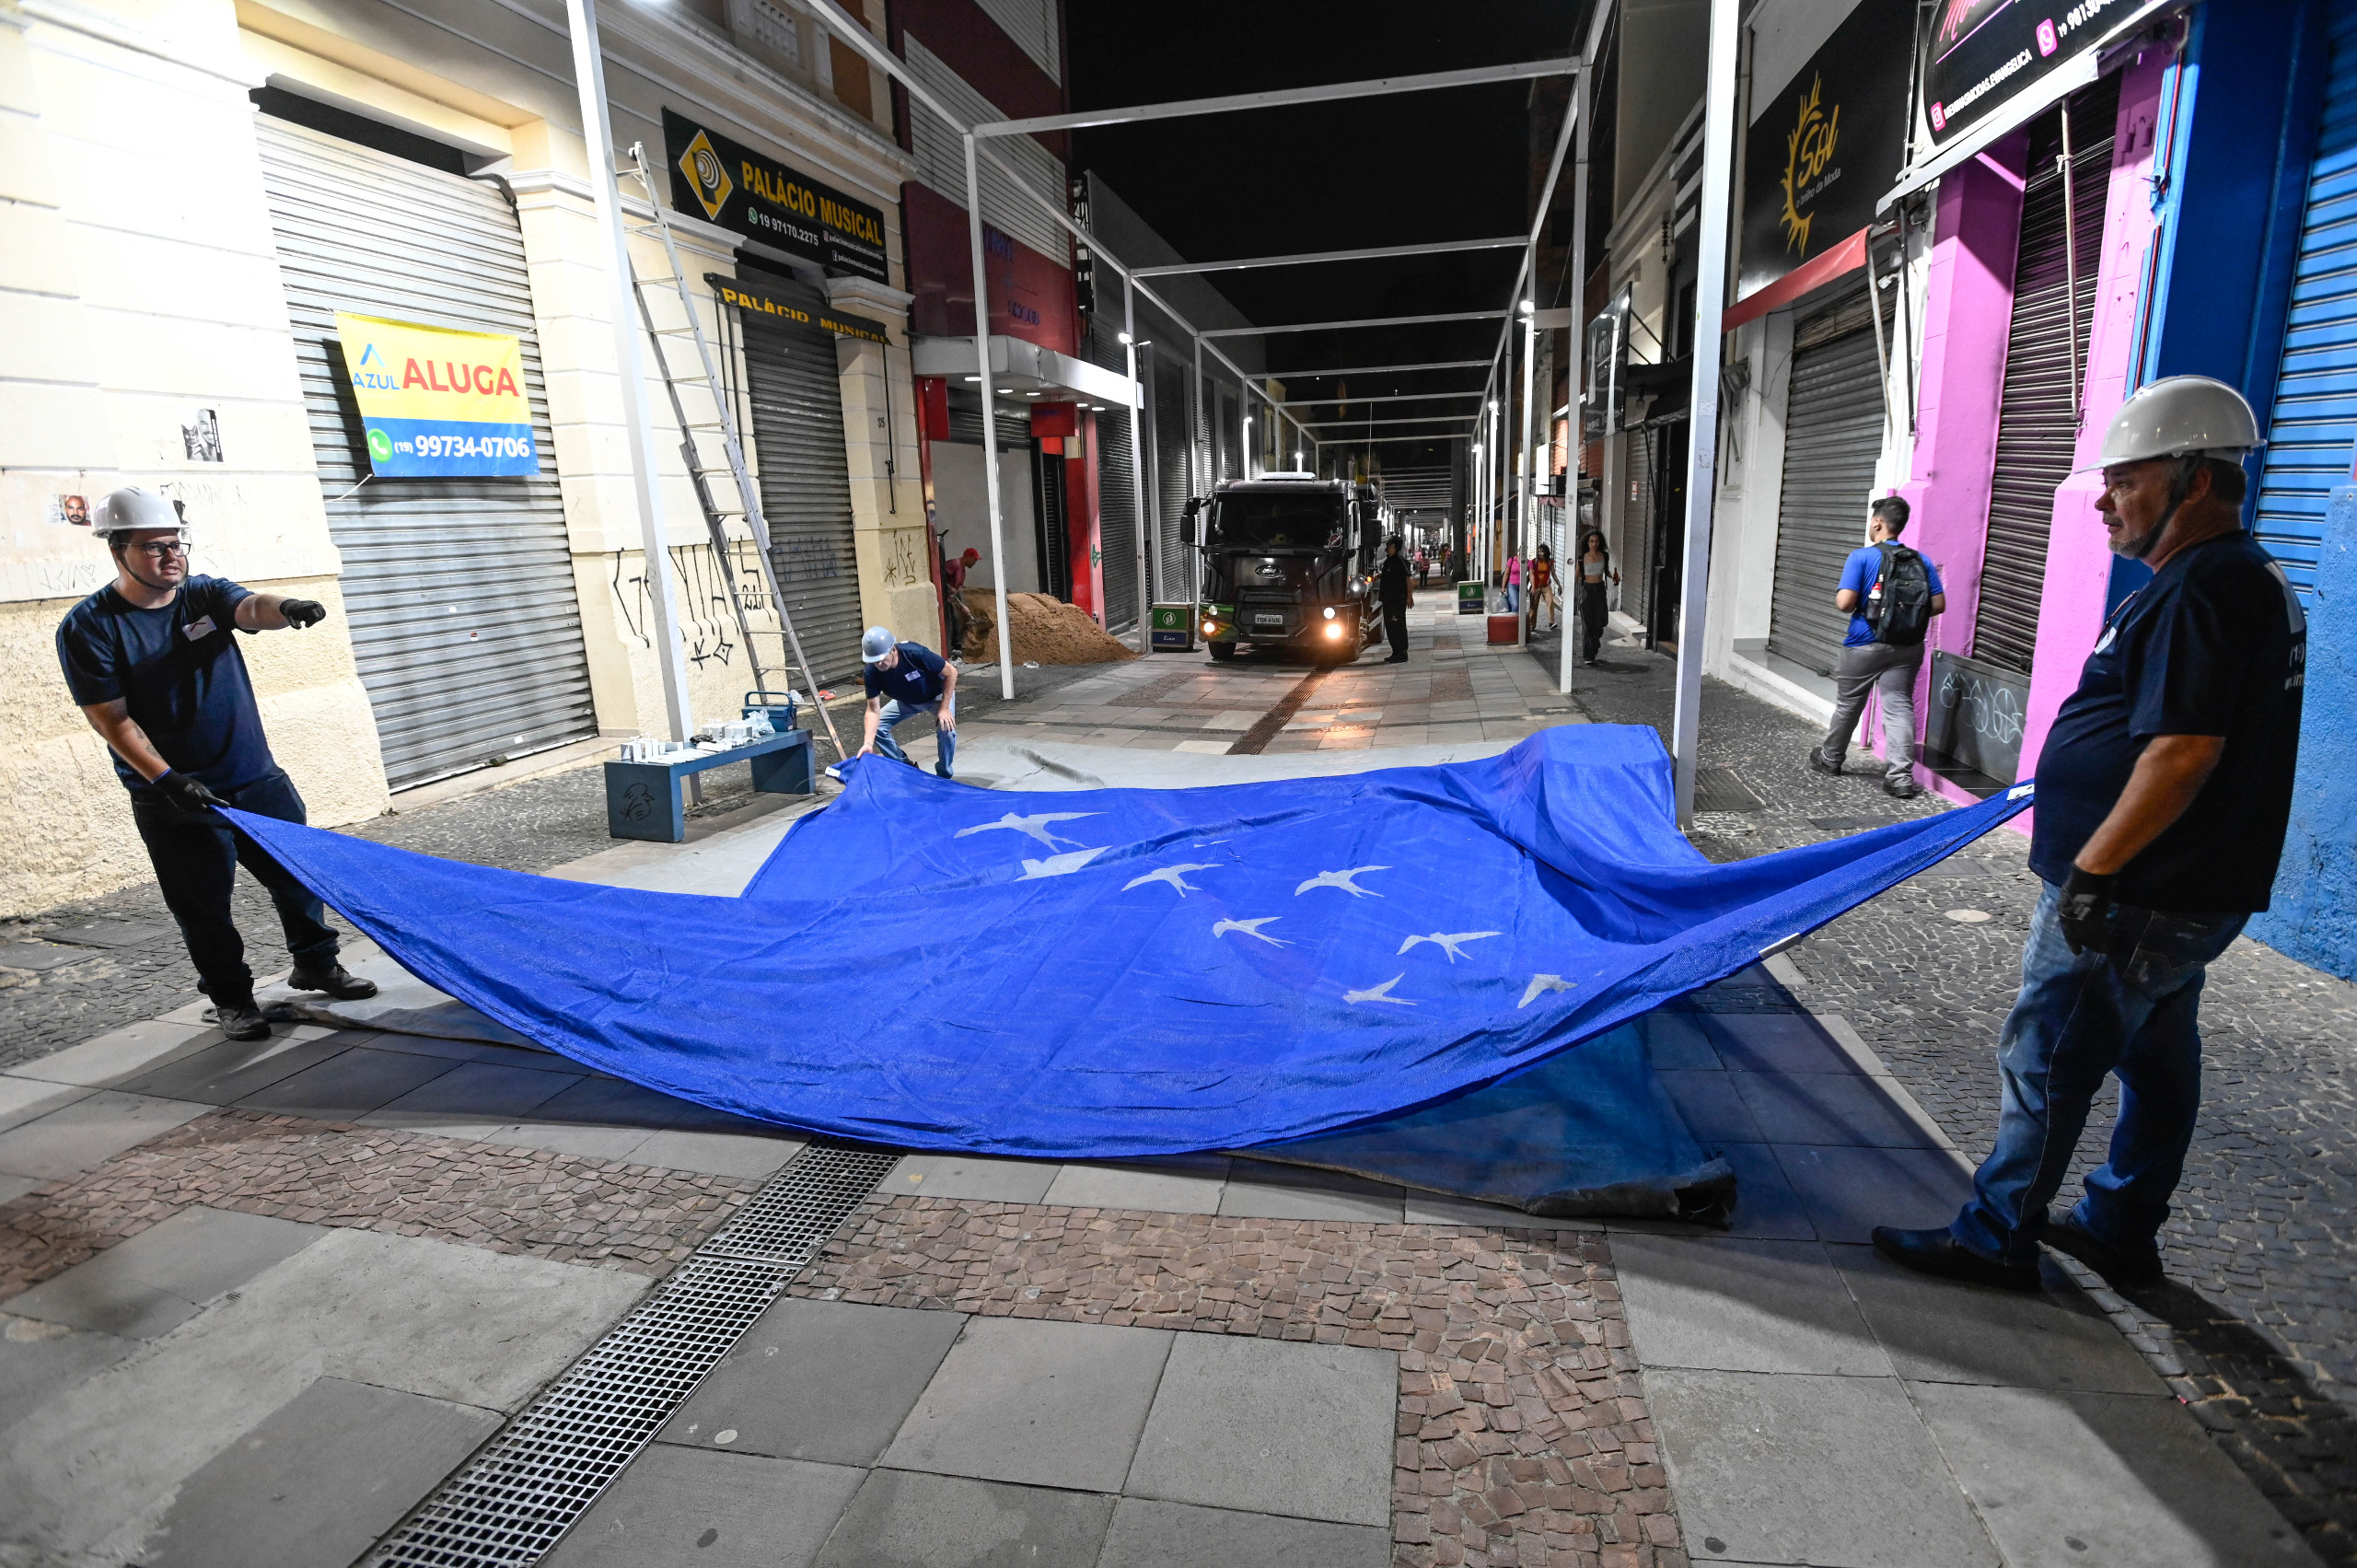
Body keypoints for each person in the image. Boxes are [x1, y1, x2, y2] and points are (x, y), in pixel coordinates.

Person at [1872, 377, 2305, 1295]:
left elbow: (2183, 750)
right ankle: (2119, 1220)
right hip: (2179, 890)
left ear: (2192, 482)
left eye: (2125, 481)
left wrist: (2095, 869)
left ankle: (1995, 1234)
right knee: (2155, 1055)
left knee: (2046, 1049)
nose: (2102, 501)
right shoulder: (2222, 581)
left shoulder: (2207, 586)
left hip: (2140, 890)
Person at [55, 487, 376, 1043]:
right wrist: (168, 780)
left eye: (175, 544)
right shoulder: (90, 627)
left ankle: (316, 964)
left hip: (255, 777)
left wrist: (288, 609)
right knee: (204, 907)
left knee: (298, 879)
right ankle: (232, 999)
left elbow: (250, 607)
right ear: (118, 551)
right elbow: (113, 720)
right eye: (153, 547)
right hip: (176, 797)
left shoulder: (200, 596)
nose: (170, 556)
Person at [1808, 496, 1946, 799]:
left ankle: (1831, 759)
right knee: (1898, 707)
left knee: (1849, 704)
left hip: (1864, 643)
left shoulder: (1861, 557)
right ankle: (1899, 778)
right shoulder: (1920, 560)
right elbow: (1938, 604)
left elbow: (1844, 603)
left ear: (1877, 523)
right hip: (1907, 647)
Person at [859, 625, 958, 778]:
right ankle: (906, 769)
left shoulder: (916, 653)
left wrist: (944, 708)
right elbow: (873, 711)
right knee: (876, 727)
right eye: (874, 661)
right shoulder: (871, 672)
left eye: (882, 659)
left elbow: (951, 672)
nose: (879, 664)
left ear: (893, 650)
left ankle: (943, 775)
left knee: (947, 730)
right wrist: (868, 743)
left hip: (936, 696)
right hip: (905, 701)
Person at [1574, 529, 1620, 665]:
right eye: (1592, 541)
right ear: (1587, 543)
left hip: (1600, 590)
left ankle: (1595, 641)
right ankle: (1588, 655)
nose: (1594, 544)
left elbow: (1606, 571)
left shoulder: (1604, 556)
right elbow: (1576, 576)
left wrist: (1614, 578)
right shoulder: (1582, 558)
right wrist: (1573, 592)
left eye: (1597, 541)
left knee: (1600, 621)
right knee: (1587, 624)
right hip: (1587, 590)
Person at [1377, 535, 1413, 663]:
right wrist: (1379, 575)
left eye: (1388, 544)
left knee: (1397, 627)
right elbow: (1391, 574)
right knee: (1391, 627)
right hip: (1389, 600)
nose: (1386, 546)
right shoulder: (1390, 560)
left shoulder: (1399, 560)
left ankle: (1401, 653)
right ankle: (1396, 652)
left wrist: (1409, 596)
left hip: (1396, 600)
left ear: (1393, 546)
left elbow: (1407, 578)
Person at [940, 544, 978, 659]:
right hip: (942, 598)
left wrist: (963, 605)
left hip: (950, 600)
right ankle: (950, 649)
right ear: (968, 557)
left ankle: (957, 645)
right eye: (974, 560)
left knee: (955, 621)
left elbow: (959, 587)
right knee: (949, 623)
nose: (975, 562)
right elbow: (940, 575)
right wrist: (948, 587)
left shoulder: (963, 571)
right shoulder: (955, 564)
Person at [1527, 543, 1559, 633]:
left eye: (1542, 552)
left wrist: (1559, 585)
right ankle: (1532, 624)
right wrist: (1528, 586)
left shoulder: (1549, 562)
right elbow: (1530, 574)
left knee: (1550, 601)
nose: (1540, 553)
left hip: (1546, 585)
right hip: (1536, 586)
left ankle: (1551, 622)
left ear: (1546, 552)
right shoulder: (1534, 561)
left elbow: (1553, 573)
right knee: (1533, 605)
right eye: (1539, 551)